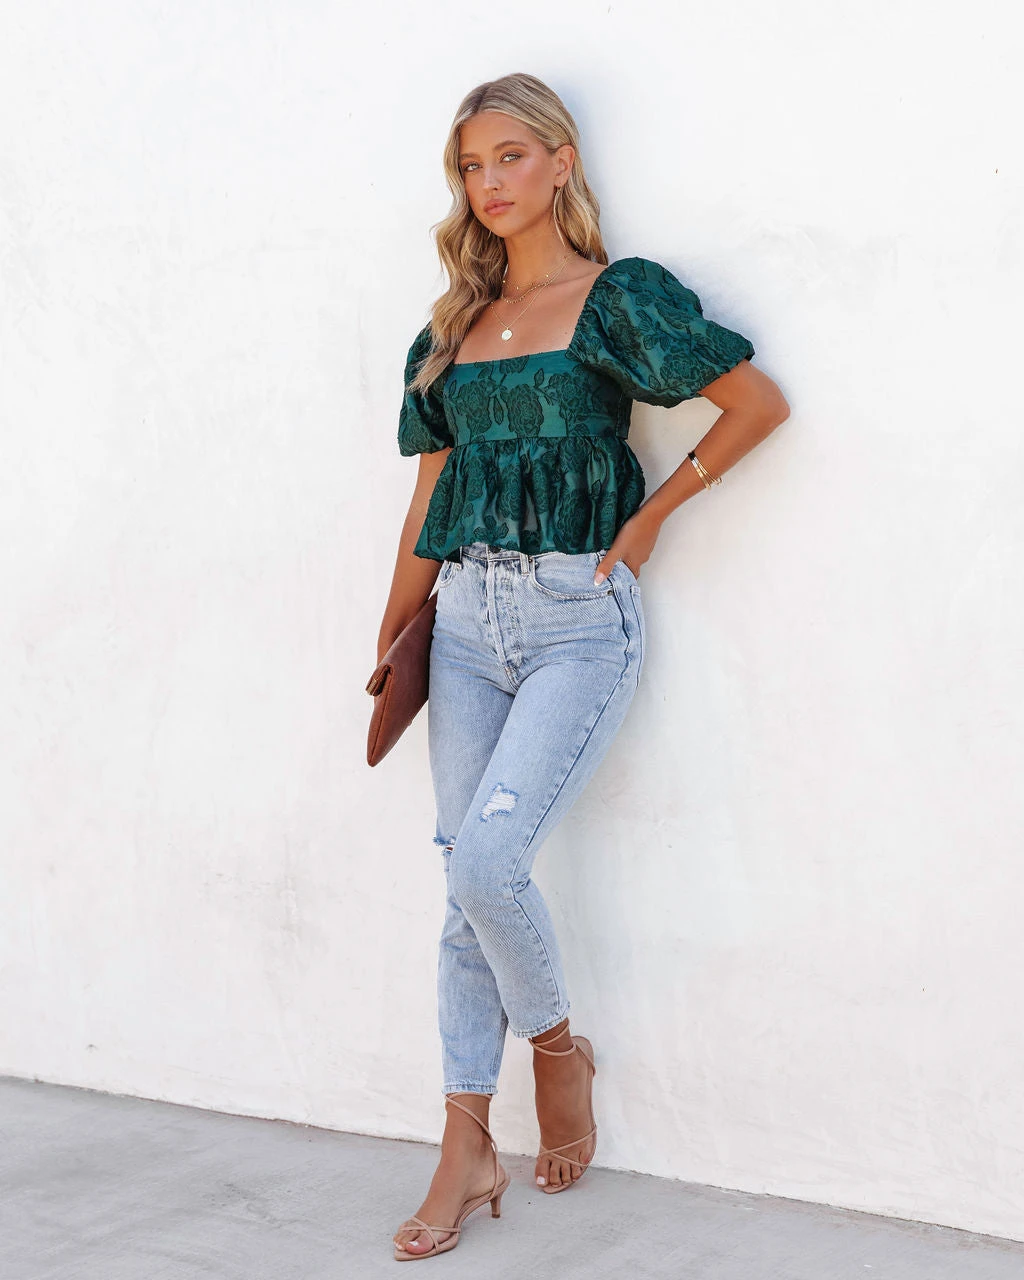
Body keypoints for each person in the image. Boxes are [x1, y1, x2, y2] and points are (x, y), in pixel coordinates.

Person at [378, 72, 790, 1262]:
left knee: (488, 860)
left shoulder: (618, 299)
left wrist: (650, 519)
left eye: (509, 156)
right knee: (462, 885)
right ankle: (465, 1142)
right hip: (465, 617)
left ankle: (556, 1049)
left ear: (560, 162)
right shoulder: (451, 326)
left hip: (575, 615)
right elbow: (427, 501)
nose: (488, 183)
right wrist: (392, 632)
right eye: (471, 166)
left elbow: (755, 404)